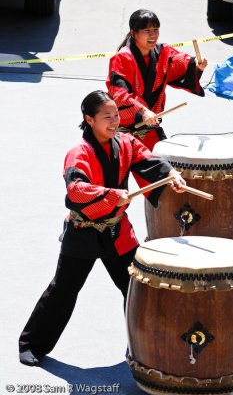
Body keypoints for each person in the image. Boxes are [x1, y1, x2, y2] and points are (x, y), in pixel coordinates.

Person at [18, 90, 186, 367]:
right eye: (107, 116)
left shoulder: (126, 143)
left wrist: (171, 175)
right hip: (83, 232)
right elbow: (76, 189)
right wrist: (110, 195)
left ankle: (142, 345)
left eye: (117, 115)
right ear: (89, 119)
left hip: (118, 232)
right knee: (63, 290)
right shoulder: (78, 153)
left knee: (136, 287)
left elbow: (148, 161)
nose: (114, 121)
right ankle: (32, 344)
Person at [106, 9, 208, 151]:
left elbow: (181, 64)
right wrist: (143, 111)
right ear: (134, 33)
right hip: (122, 130)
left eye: (156, 29)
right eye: (147, 30)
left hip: (149, 127)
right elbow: (119, 94)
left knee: (163, 168)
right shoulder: (123, 58)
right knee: (116, 172)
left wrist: (197, 66)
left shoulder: (163, 52)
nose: (153, 34)